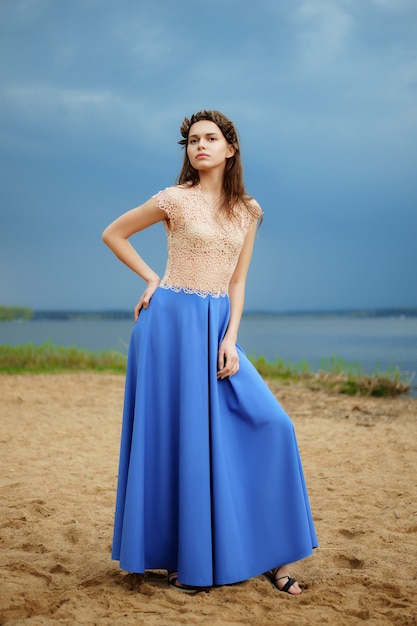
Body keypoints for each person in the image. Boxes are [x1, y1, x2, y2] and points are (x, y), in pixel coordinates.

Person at [102, 110, 317, 595]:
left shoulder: (249, 210)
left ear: (230, 149)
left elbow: (238, 280)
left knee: (273, 425)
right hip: (169, 327)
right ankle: (184, 556)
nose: (200, 145)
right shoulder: (173, 200)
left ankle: (272, 555)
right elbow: (113, 233)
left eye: (210, 138)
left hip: (216, 327)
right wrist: (152, 278)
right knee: (177, 441)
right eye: (192, 139)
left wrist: (229, 338)